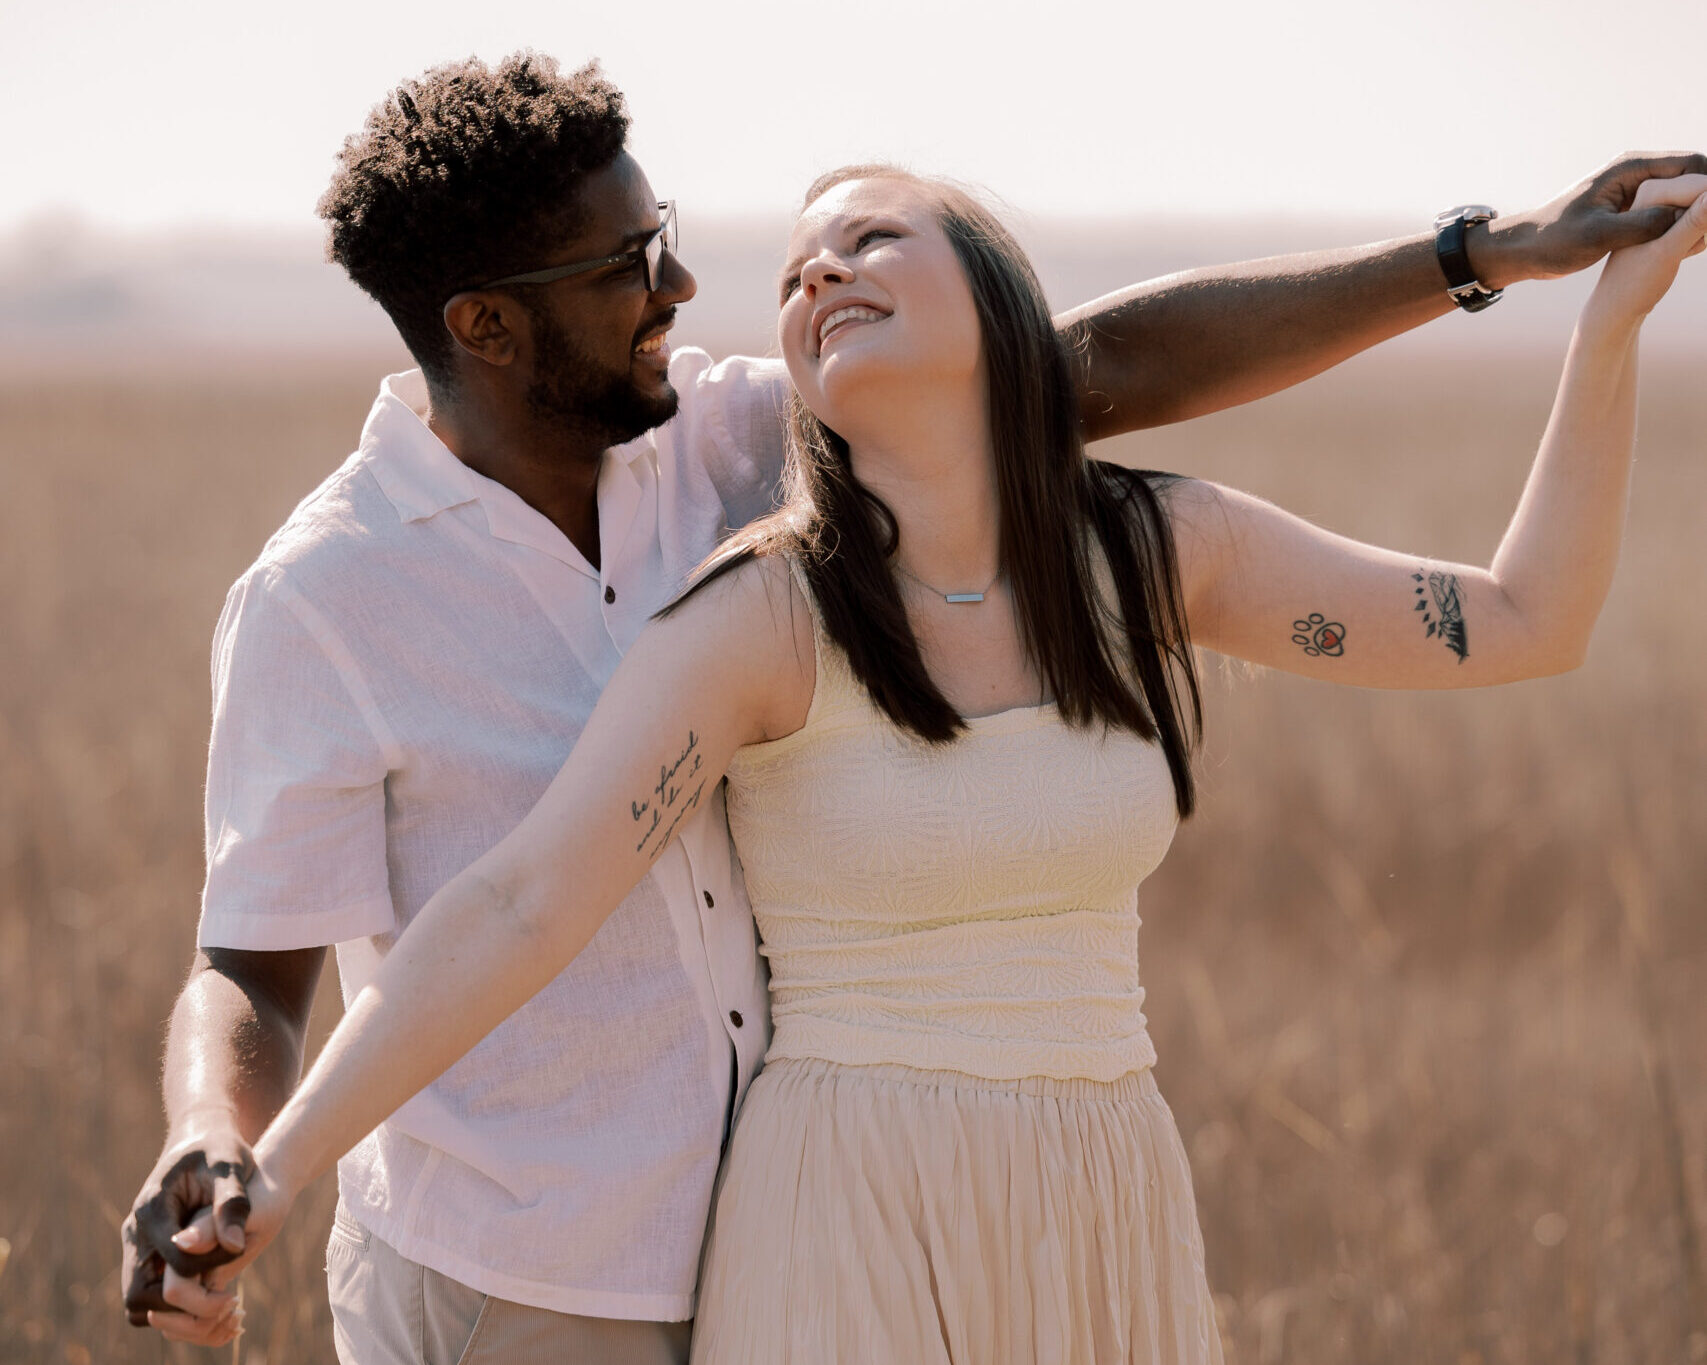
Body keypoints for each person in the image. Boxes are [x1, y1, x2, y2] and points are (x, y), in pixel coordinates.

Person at [121, 50, 1707, 1362]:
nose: (716, 283)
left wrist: (1519, 272)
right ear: (484, 327)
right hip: (566, 1260)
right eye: (632, 267)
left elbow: (1487, 601)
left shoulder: (800, 453)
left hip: (1061, 1207)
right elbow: (462, 914)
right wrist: (249, 1158)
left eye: (865, 245)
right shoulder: (476, 601)